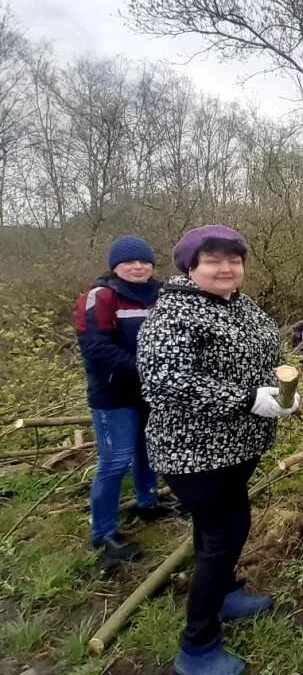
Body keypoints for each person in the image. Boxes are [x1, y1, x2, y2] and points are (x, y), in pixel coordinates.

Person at [137, 225, 300, 675]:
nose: (226, 268)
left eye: (234, 260)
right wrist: (248, 399)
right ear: (192, 267)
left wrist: (281, 394)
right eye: (213, 260)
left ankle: (225, 594)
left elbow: (267, 356)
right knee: (226, 532)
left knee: (212, 532)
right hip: (193, 452)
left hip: (237, 447)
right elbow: (165, 382)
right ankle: (197, 646)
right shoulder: (174, 313)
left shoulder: (242, 306)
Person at [73, 235, 176, 564]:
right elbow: (96, 348)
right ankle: (103, 536)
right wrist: (147, 370)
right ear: (115, 266)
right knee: (115, 462)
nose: (138, 266)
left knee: (148, 449)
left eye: (144, 261)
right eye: (129, 261)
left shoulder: (162, 295)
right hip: (113, 394)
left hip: (151, 392)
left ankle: (149, 503)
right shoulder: (100, 297)